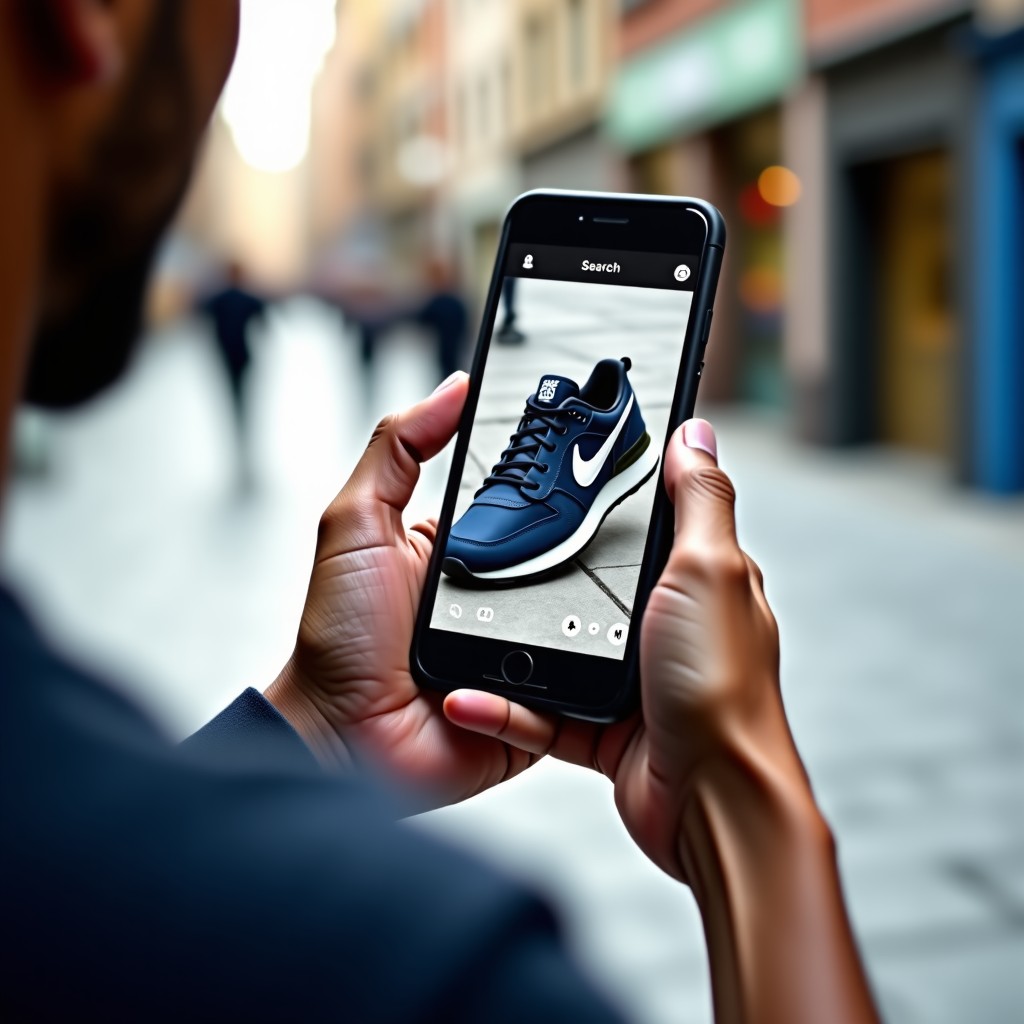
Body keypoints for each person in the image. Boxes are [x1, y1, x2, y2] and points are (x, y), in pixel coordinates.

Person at [0, 3, 881, 1022]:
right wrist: (741, 795)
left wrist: (320, 725)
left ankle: (598, 442)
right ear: (90, 15)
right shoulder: (432, 977)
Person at [197, 259, 267, 489]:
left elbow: (200, 316)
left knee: (234, 401)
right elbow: (264, 323)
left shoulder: (218, 299)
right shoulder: (248, 299)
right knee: (245, 402)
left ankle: (239, 443)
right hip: (243, 358)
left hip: (227, 359)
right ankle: (245, 443)